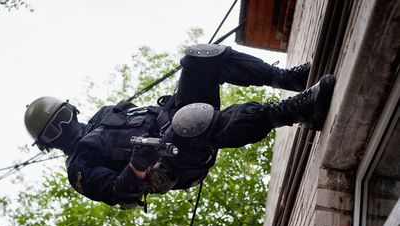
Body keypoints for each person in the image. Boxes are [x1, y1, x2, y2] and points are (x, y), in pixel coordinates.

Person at [24, 44, 335, 210]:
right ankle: (296, 111)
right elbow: (118, 193)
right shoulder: (79, 167)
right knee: (192, 121)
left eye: (64, 116)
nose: (66, 127)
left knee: (199, 57)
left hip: (173, 116)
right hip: (172, 162)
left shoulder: (105, 114)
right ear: (48, 144)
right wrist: (138, 166)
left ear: (73, 109)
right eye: (55, 129)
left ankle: (287, 79)